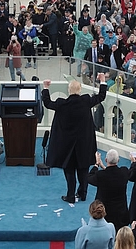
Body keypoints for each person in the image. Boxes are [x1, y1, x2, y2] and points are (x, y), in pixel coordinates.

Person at [42, 73, 107, 203]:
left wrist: (45, 87)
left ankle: (70, 195)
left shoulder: (62, 104)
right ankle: (83, 194)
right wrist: (102, 81)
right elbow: (101, 96)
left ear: (69, 90)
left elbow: (48, 103)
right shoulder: (86, 101)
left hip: (67, 145)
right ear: (80, 90)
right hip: (84, 144)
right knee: (83, 169)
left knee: (69, 169)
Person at [88, 149, 130, 230]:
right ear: (118, 160)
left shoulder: (101, 176)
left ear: (106, 160)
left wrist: (97, 164)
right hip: (120, 214)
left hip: (105, 215)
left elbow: (89, 177)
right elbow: (112, 174)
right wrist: (103, 166)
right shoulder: (124, 172)